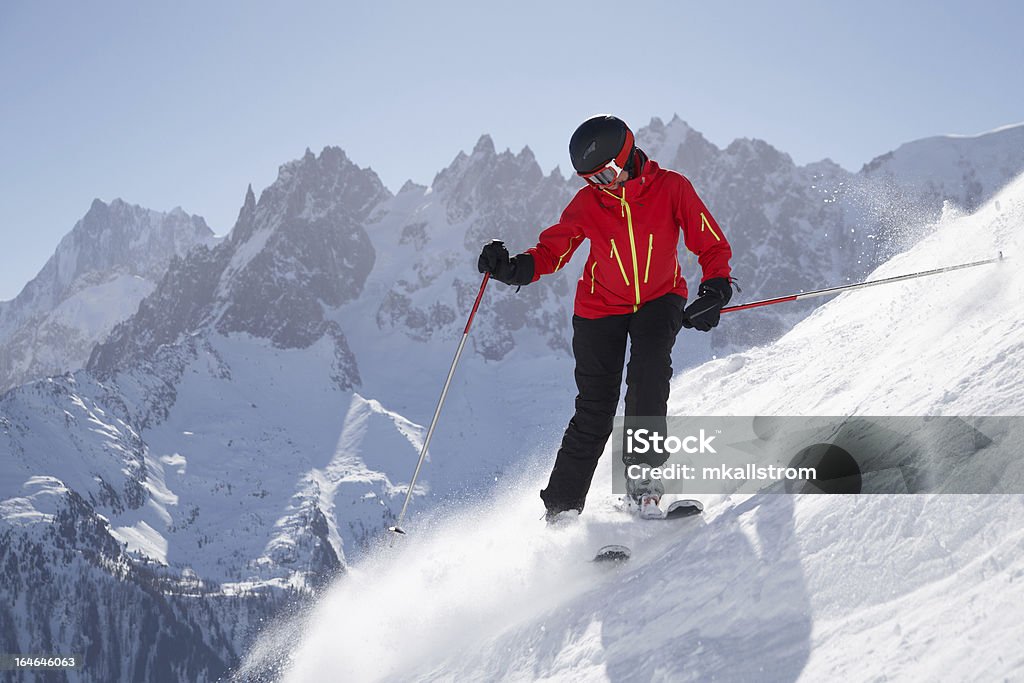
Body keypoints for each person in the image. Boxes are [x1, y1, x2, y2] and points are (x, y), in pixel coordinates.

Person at [477, 114, 733, 521]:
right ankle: (561, 508)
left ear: (628, 153)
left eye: (609, 172)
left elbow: (709, 241)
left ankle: (643, 485)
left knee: (648, 376)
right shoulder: (587, 204)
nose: (604, 184)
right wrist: (513, 268)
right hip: (599, 308)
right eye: (592, 179)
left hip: (660, 296)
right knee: (595, 407)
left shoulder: (671, 188)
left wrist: (715, 288)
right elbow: (552, 252)